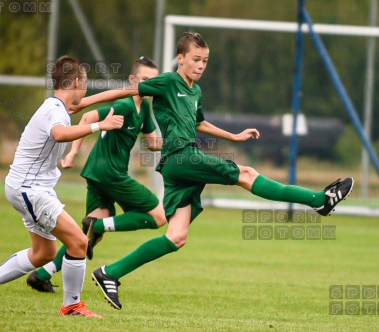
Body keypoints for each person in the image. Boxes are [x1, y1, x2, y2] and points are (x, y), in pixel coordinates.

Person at [72, 32, 354, 310]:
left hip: (179, 165)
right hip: (181, 156)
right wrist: (84, 102)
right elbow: (126, 90)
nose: (200, 66)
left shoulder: (195, 90)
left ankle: (111, 272)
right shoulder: (169, 81)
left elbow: (199, 123)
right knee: (247, 174)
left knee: (176, 237)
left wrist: (234, 136)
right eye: (196, 59)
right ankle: (320, 201)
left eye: (205, 61)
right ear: (180, 59)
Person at [0, 55, 124, 318]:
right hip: (30, 189)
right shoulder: (55, 111)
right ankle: (72, 305)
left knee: (44, 253)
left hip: (25, 188)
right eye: (84, 82)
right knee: (79, 242)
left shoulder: (59, 105)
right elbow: (59, 134)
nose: (86, 88)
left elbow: (88, 102)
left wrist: (133, 90)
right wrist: (99, 125)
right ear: (74, 83)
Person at [26, 57, 166, 297]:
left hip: (98, 173)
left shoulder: (145, 108)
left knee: (84, 237)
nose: (148, 85)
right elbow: (88, 118)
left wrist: (178, 137)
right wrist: (72, 153)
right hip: (110, 173)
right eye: (144, 80)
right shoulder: (124, 106)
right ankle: (99, 225)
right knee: (159, 217)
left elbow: (153, 142)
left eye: (153, 81)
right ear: (132, 80)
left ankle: (42, 275)